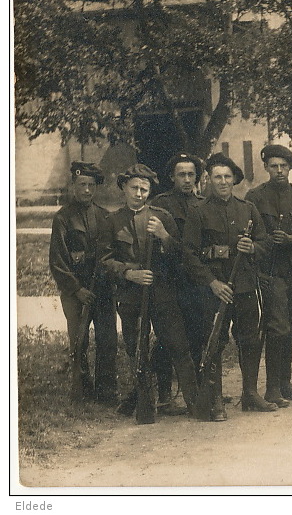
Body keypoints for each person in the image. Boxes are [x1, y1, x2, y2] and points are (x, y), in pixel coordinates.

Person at [99, 164, 198, 421]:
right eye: (134, 188)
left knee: (179, 346)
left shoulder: (162, 216)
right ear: (124, 188)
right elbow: (102, 261)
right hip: (131, 297)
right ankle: (146, 405)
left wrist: (164, 236)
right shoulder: (112, 221)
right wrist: (128, 273)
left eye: (144, 189)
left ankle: (196, 405)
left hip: (163, 294)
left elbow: (181, 256)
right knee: (137, 350)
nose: (140, 193)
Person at [183, 153, 275, 421]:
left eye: (227, 177)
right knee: (214, 342)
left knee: (249, 339)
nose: (222, 182)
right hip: (214, 290)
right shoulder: (198, 212)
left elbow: (266, 242)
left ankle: (250, 393)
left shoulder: (247, 209)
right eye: (217, 177)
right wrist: (212, 283)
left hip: (244, 286)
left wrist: (253, 247)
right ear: (208, 180)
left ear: (234, 180)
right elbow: (188, 254)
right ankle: (215, 401)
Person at [245, 144, 292, 407]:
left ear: (291, 167)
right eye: (274, 166)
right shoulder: (255, 197)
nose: (279, 171)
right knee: (277, 327)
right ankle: (272, 388)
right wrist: (270, 241)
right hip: (271, 271)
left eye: (283, 166)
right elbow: (251, 236)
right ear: (267, 168)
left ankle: (285, 381)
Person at [49, 161, 117, 405]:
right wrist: (77, 290)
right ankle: (82, 389)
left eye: (91, 185)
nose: (87, 190)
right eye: (82, 185)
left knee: (108, 339)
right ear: (73, 186)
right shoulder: (63, 218)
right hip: (75, 291)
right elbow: (57, 262)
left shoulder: (104, 216)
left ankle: (107, 391)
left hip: (102, 290)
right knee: (79, 341)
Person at [149, 152, 206, 416]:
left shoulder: (203, 204)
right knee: (167, 339)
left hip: (194, 282)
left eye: (191, 174)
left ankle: (197, 391)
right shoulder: (160, 205)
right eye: (181, 174)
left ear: (197, 177)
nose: (186, 179)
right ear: (172, 177)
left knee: (195, 337)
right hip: (169, 280)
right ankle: (163, 394)